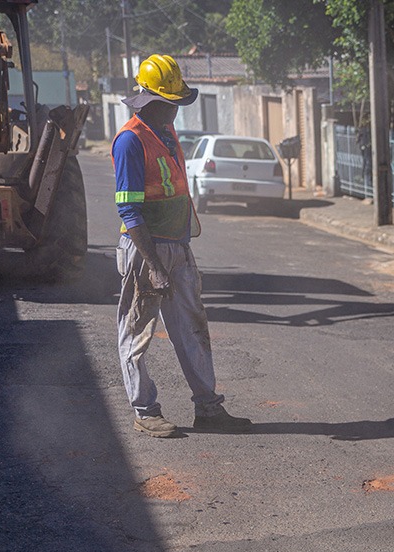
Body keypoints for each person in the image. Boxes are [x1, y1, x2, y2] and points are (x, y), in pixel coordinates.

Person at [112, 54, 251, 438]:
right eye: (167, 104)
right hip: (146, 252)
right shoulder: (129, 141)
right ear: (148, 99)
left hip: (178, 247)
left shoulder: (167, 133)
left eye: (176, 104)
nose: (173, 112)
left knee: (192, 328)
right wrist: (153, 264)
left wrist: (179, 251)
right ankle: (145, 410)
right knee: (136, 332)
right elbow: (129, 209)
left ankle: (208, 407)